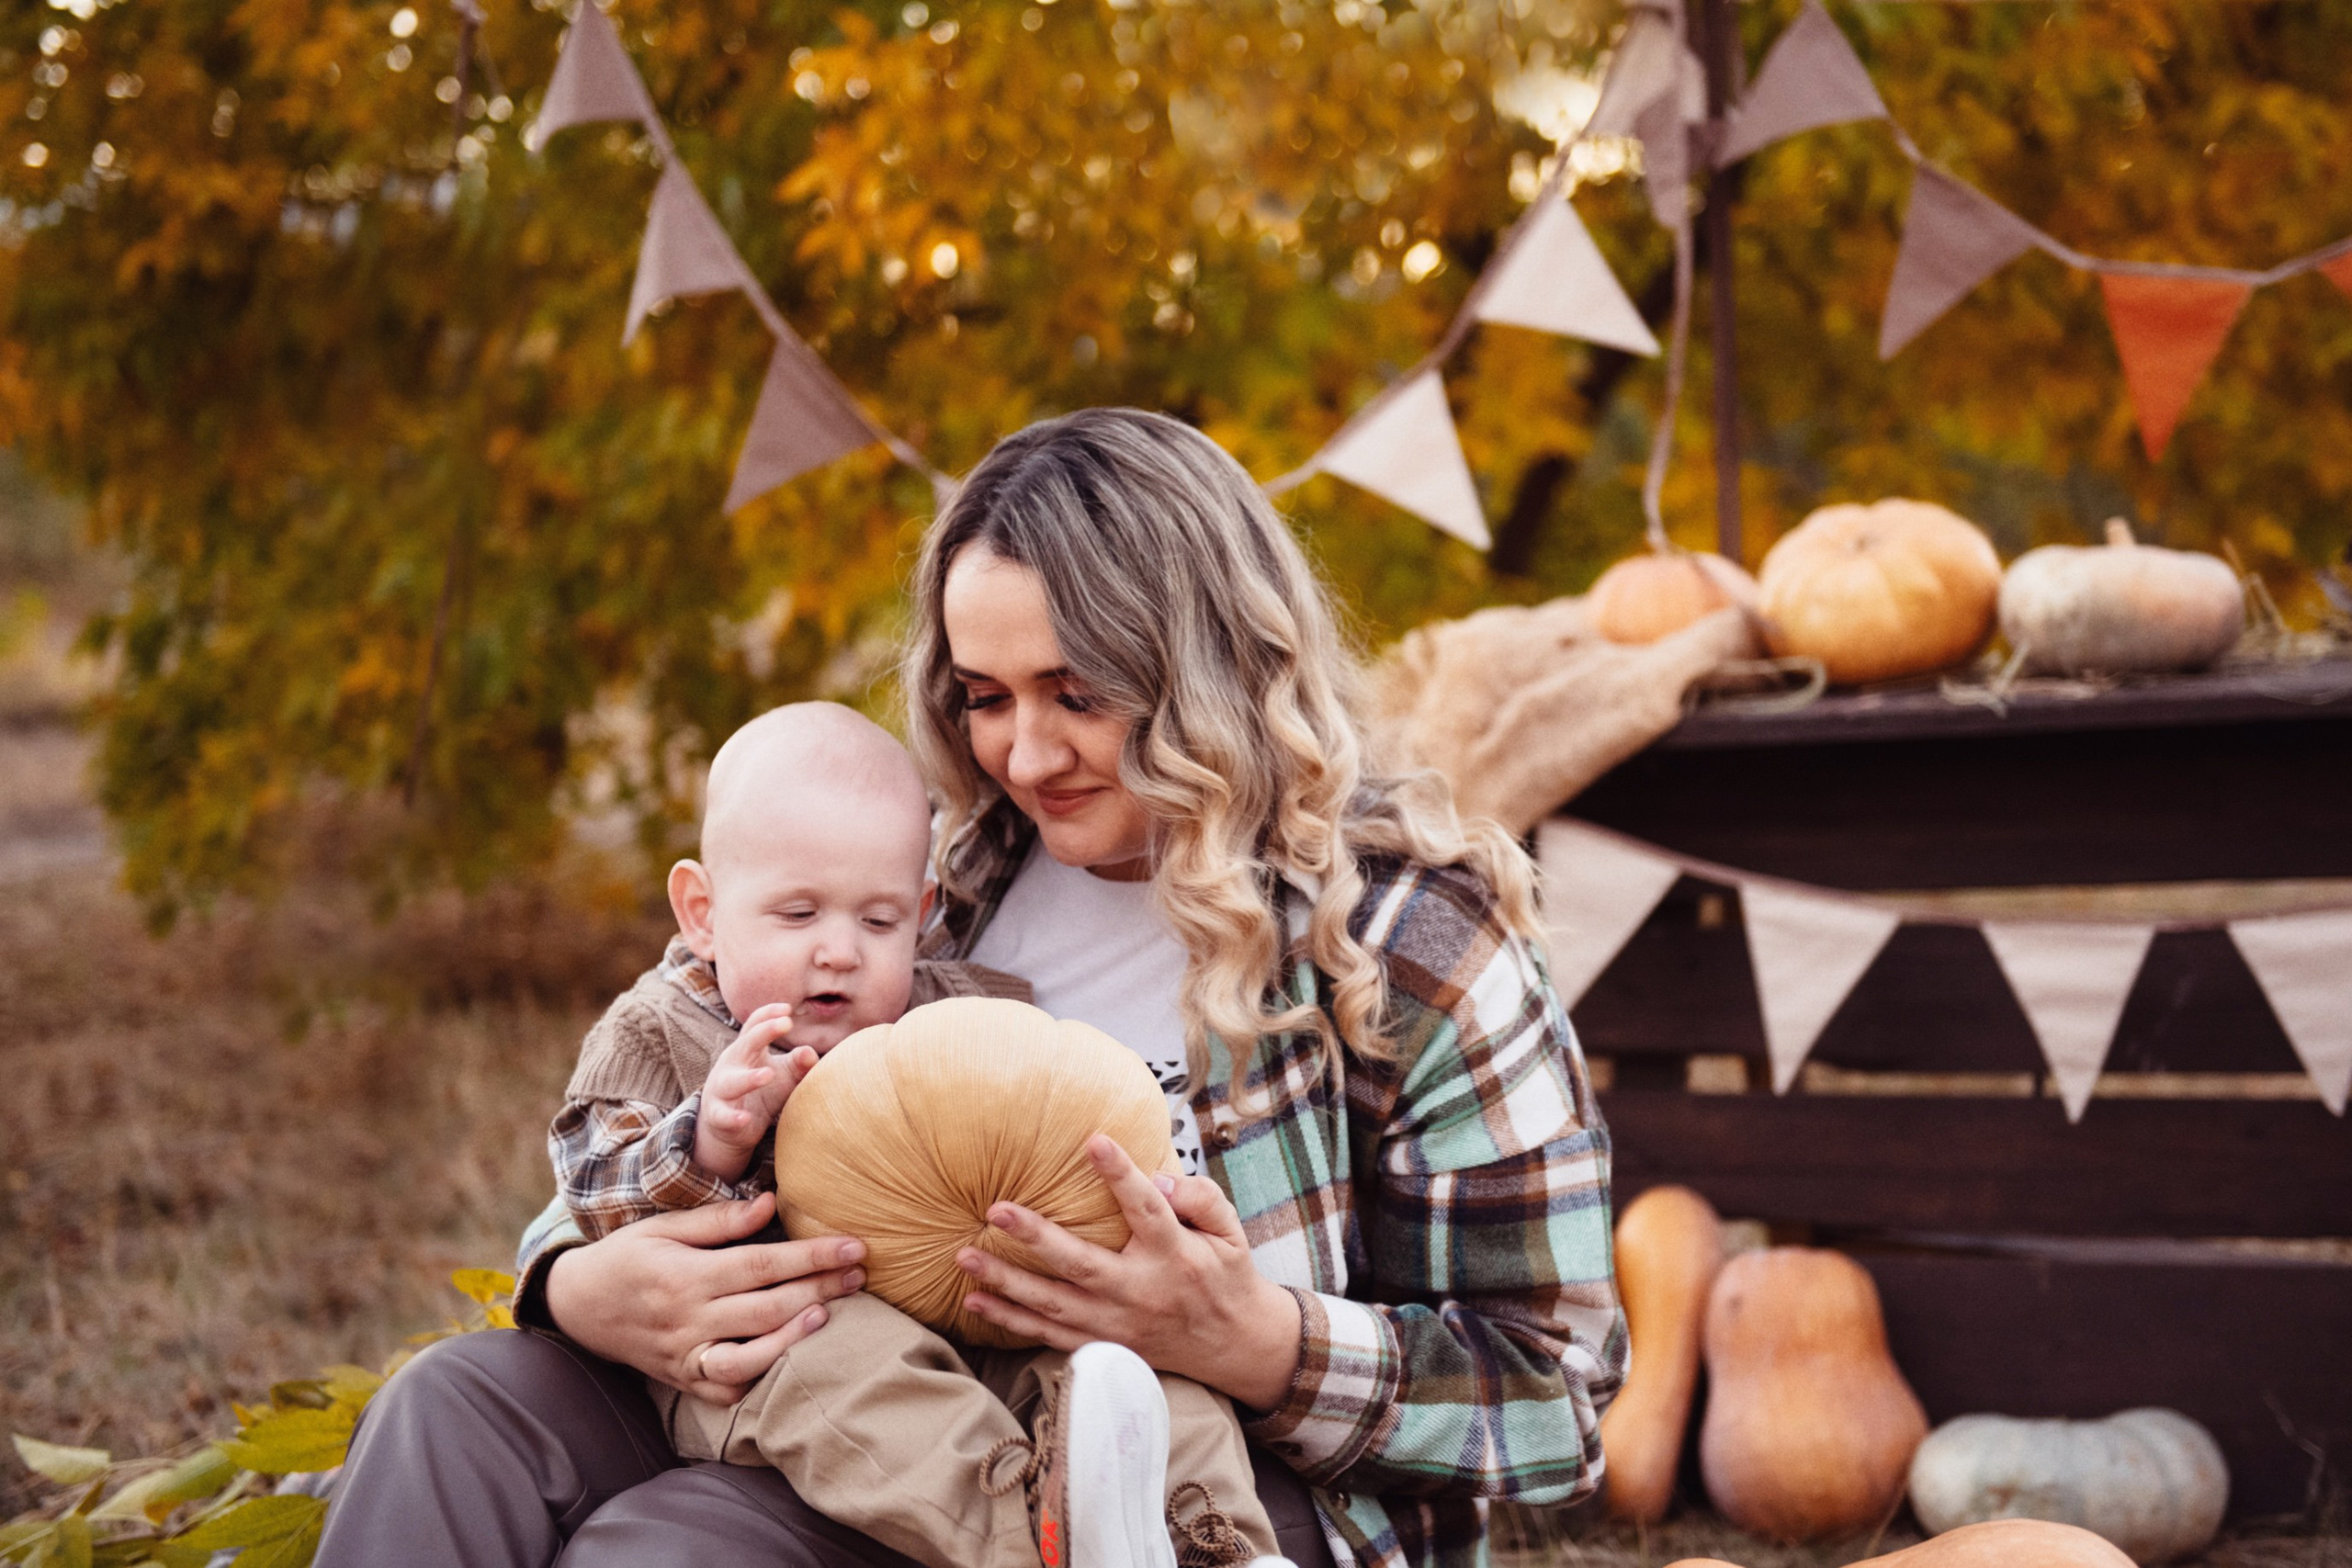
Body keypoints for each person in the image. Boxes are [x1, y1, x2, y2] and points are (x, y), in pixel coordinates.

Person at [315, 408, 1624, 1568]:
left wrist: (1252, 1339)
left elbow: (1558, 1397)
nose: (1027, 753)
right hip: (848, 1386)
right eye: (985, 695)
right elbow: (651, 1094)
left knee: (670, 1547)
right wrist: (576, 1287)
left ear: (1209, 663)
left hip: (1203, 1481)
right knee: (451, 1410)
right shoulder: (933, 878)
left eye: (1078, 691)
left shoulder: (1407, 938)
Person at [545, 699, 1282, 1568]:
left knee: (1142, 1371)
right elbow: (590, 1185)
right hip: (776, 1336)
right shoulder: (657, 1029)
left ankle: (1219, 1548)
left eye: (878, 920)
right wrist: (710, 1141)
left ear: (923, 911)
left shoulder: (955, 1010)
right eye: (798, 915)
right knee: (845, 1364)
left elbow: (1046, 1117)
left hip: (979, 1315)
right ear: (702, 911)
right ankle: (1038, 1544)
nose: (840, 951)